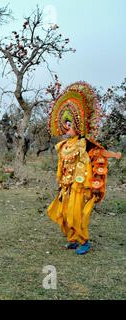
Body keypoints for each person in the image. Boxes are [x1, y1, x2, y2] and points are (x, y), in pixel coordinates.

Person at [47, 82, 121, 255]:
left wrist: (115, 155)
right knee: (65, 213)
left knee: (76, 214)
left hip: (80, 187)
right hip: (66, 187)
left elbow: (99, 152)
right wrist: (60, 181)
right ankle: (73, 239)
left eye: (70, 124)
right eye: (65, 124)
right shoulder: (63, 145)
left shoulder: (85, 143)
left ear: (78, 125)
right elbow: (62, 166)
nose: (66, 128)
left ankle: (84, 240)